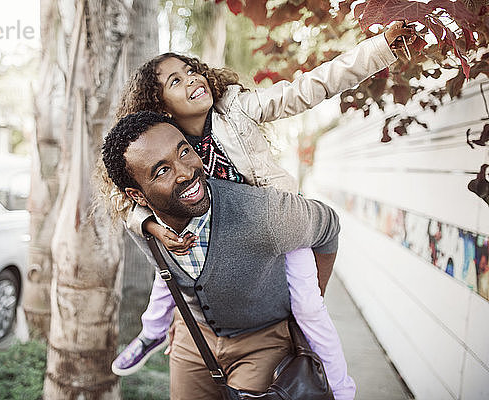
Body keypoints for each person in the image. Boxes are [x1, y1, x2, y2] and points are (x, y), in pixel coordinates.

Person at [110, 20, 416, 379]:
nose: (192, 79)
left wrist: (381, 48)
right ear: (160, 107)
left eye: (191, 71)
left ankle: (340, 386)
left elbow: (312, 86)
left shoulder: (238, 108)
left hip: (273, 223)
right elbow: (130, 201)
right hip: (209, 236)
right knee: (168, 277)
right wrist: (151, 226)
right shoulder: (166, 147)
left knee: (310, 310)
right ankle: (151, 333)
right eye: (175, 81)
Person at [103, 111, 355, 399]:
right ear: (138, 196)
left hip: (263, 341)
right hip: (193, 338)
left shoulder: (265, 214)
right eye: (162, 171)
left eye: (184, 151)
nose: (185, 172)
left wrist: (311, 298)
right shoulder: (142, 227)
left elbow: (329, 225)